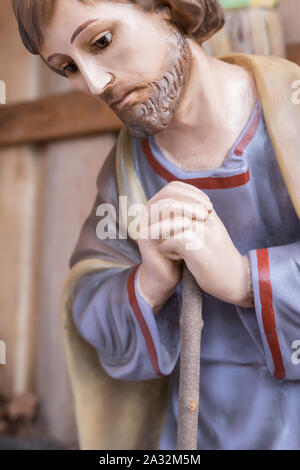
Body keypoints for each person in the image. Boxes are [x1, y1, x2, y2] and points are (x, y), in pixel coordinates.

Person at [13, 0, 300, 449]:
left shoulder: (292, 111)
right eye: (67, 66)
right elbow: (89, 290)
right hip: (192, 430)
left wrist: (246, 281)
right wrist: (148, 284)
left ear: (165, 7)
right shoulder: (127, 172)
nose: (94, 83)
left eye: (102, 41)